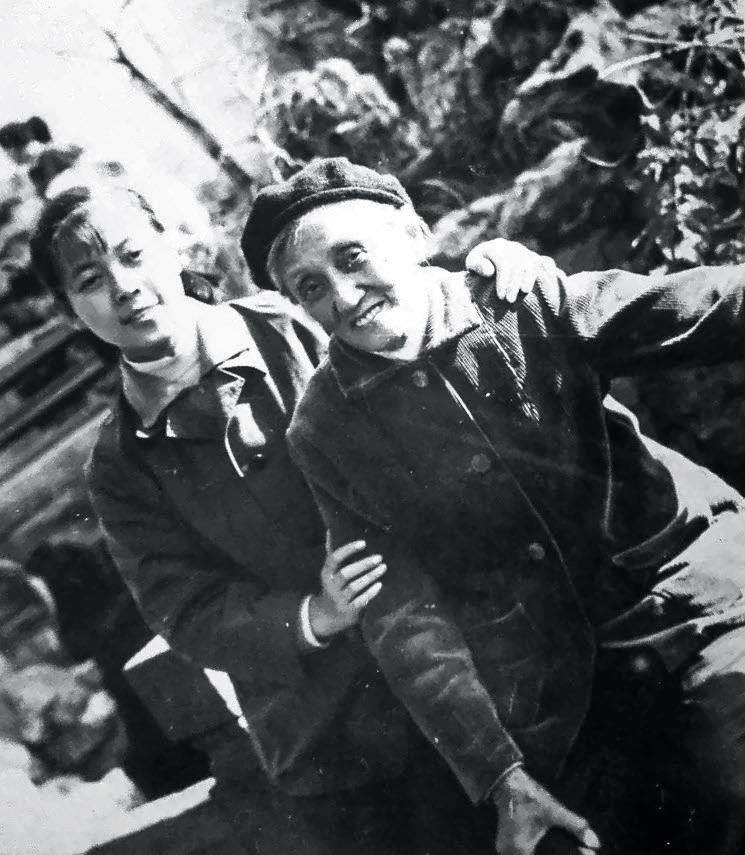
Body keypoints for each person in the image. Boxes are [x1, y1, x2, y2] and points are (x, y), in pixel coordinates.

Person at [241, 156, 745, 855]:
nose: (345, 296)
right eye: (312, 287)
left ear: (413, 234)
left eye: (352, 258)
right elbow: (403, 616)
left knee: (730, 779)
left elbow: (700, 308)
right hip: (568, 691)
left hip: (693, 603)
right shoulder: (323, 430)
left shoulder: (519, 302)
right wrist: (499, 774)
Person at [29, 180, 550, 854]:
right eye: (91, 280)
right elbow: (184, 608)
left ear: (171, 244)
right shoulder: (122, 465)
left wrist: (497, 273)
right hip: (336, 734)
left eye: (133, 255)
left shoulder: (292, 321)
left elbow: (413, 325)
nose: (124, 286)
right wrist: (314, 614)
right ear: (71, 312)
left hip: (466, 649)